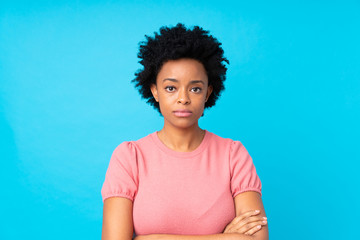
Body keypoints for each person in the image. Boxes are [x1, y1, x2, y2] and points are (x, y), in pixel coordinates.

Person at [101, 23, 269, 240]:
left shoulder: (233, 155)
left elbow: (257, 239)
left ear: (208, 93)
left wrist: (150, 239)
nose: (183, 98)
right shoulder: (130, 157)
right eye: (171, 87)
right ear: (155, 91)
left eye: (195, 88)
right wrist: (226, 237)